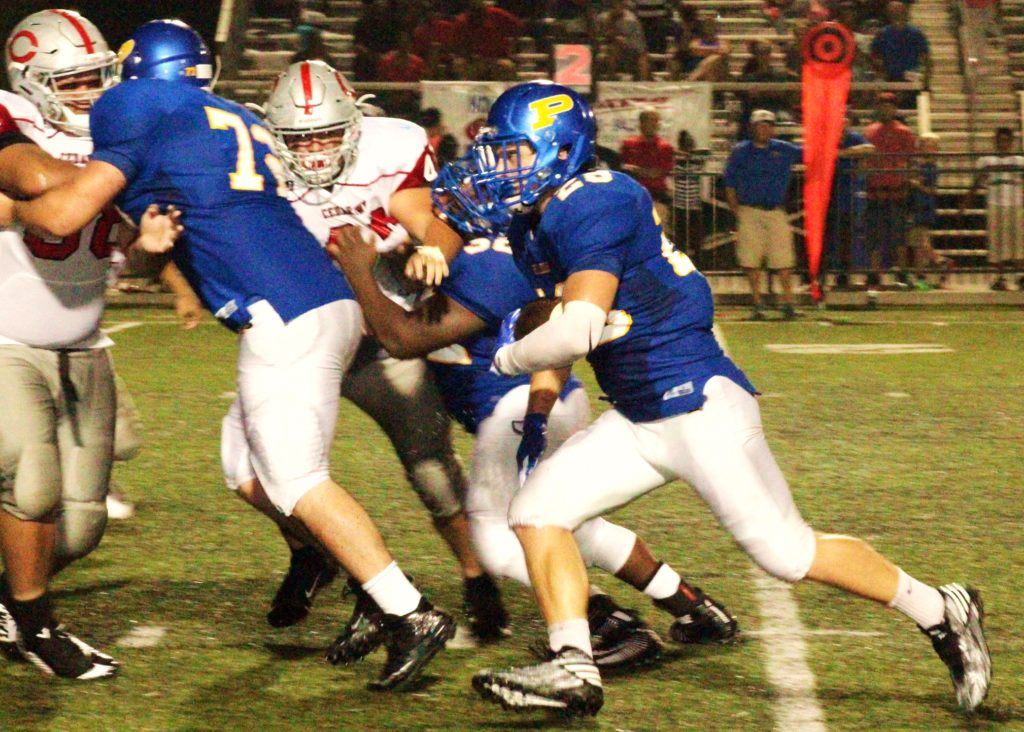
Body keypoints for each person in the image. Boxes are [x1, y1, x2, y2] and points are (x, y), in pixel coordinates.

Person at [459, 81, 990, 717]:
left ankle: (939, 607)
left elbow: (575, 329)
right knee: (536, 510)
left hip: (697, 402)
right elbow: (570, 315)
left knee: (786, 553)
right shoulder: (536, 224)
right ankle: (573, 664)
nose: (501, 167)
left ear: (558, 148)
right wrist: (541, 379)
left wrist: (506, 354)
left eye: (514, 153)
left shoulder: (597, 196)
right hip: (640, 413)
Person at [0, 20, 457, 692]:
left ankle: (405, 609)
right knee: (244, 468)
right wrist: (148, 237)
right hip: (318, 297)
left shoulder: (137, 106)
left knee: (298, 479)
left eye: (105, 78)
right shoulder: (224, 113)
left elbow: (62, 218)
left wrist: (27, 210)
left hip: (283, 313)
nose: (98, 93)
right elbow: (176, 216)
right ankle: (359, 577)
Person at [324, 159, 738, 671]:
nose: (438, 215)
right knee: (575, 528)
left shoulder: (490, 263)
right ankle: (692, 607)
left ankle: (607, 623)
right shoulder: (465, 252)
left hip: (523, 403)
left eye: (448, 206)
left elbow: (403, 338)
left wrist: (360, 271)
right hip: (536, 401)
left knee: (498, 538)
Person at [235, 60, 506, 640]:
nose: (312, 152)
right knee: (246, 469)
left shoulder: (395, 147)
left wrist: (433, 249)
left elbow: (433, 218)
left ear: (356, 122)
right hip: (301, 334)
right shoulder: (252, 159)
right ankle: (326, 558)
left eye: (326, 134)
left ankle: (475, 572)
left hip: (381, 332)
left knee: (430, 466)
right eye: (299, 138)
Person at [0, 9, 181, 680]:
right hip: (7, 336)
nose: (85, 92)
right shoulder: (10, 117)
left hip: (84, 342)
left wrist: (142, 245)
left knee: (79, 527)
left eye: (94, 78)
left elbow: (106, 250)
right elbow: (39, 182)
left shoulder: (116, 132)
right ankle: (39, 627)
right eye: (68, 81)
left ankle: (11, 602)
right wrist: (108, 166)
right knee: (29, 479)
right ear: (30, 80)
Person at [723, 109, 802, 320]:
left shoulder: (784, 149)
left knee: (783, 258)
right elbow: (729, 183)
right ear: (753, 128)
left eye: (768, 125)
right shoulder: (741, 151)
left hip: (775, 210)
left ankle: (788, 302)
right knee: (751, 259)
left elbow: (813, 154)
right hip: (750, 209)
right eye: (760, 125)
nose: (764, 129)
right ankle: (758, 304)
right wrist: (736, 210)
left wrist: (843, 150)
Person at [865, 92, 916, 286]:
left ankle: (901, 272)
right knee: (874, 235)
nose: (886, 109)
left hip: (896, 190)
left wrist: (906, 180)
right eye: (882, 105)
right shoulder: (870, 131)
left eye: (889, 105)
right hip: (875, 189)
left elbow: (911, 160)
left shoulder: (904, 131)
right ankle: (873, 272)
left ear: (895, 109)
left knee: (899, 235)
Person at [963, 127, 1024, 290]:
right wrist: (967, 201)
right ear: (995, 141)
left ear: (1011, 142)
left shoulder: (1019, 161)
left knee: (1017, 242)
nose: (1003, 144)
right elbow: (977, 182)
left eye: (1006, 141)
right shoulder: (987, 161)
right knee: (997, 242)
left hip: (1015, 204)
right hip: (995, 204)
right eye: (1000, 140)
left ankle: (1020, 276)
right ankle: (1000, 277)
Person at [826, 114, 874, 289]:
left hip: (846, 198)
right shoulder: (826, 136)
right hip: (827, 196)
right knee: (829, 239)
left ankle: (843, 276)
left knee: (845, 238)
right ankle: (820, 277)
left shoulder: (852, 137)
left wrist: (843, 154)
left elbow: (869, 148)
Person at [619, 110, 675, 223]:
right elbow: (623, 168)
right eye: (648, 121)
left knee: (657, 230)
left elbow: (656, 173)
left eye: (655, 121)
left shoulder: (665, 147)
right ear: (640, 124)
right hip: (632, 196)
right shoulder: (628, 145)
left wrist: (636, 170)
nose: (653, 124)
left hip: (656, 196)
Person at [870, 1, 930, 90]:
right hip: (890, 78)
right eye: (893, 12)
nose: (896, 15)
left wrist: (926, 79)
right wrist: (880, 72)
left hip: (911, 77)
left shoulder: (916, 33)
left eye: (899, 11)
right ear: (888, 14)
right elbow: (875, 56)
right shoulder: (882, 34)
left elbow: (926, 57)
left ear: (905, 12)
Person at [671, 130, 709, 258]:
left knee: (696, 238)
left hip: (694, 205)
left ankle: (697, 263)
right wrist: (682, 154)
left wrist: (690, 154)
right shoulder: (676, 160)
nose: (689, 147)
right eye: (686, 144)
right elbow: (670, 154)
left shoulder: (697, 160)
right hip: (679, 205)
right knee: (680, 238)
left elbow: (706, 152)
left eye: (690, 144)